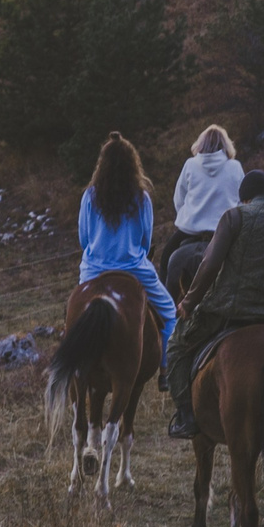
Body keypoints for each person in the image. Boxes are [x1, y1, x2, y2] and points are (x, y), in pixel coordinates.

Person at [167, 171, 264, 437]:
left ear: (244, 198)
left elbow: (209, 264)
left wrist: (188, 302)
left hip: (233, 311)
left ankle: (186, 416)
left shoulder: (234, 217)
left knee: (176, 345)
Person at [75, 131, 175, 366]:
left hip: (93, 270)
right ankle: (166, 369)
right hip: (132, 269)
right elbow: (145, 240)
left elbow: (84, 239)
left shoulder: (90, 196)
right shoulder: (141, 198)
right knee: (170, 313)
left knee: (75, 314)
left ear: (102, 164)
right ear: (133, 164)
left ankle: (76, 372)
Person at [171, 125, 243, 255]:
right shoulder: (235, 167)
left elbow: (178, 199)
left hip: (191, 230)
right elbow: (242, 201)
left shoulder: (190, 164)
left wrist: (188, 216)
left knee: (166, 257)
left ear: (200, 144)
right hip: (225, 231)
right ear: (226, 145)